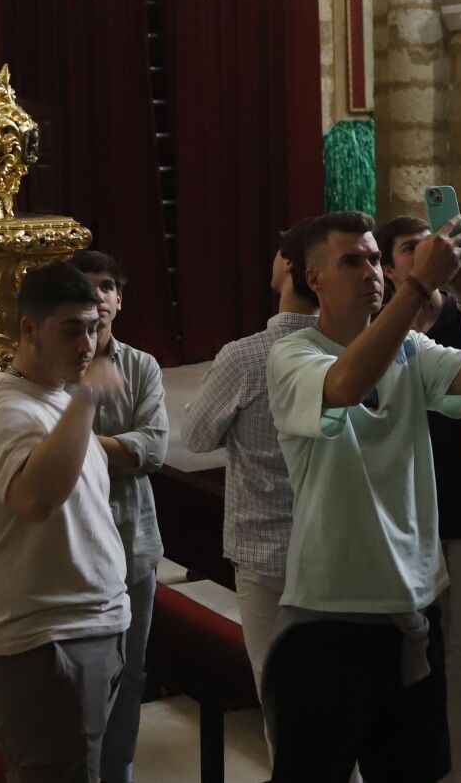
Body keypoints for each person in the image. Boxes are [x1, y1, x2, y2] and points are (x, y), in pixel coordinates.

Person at [264, 210, 461, 781]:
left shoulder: (412, 350)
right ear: (315, 278)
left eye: (376, 259)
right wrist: (418, 285)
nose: (371, 271)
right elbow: (346, 383)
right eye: (353, 261)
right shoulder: (292, 354)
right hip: (330, 614)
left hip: (413, 604)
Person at [0, 261, 129, 783]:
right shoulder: (7, 412)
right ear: (29, 329)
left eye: (93, 328)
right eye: (72, 330)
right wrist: (90, 397)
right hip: (42, 644)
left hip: (80, 632)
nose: (88, 345)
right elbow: (36, 500)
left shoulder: (55, 400)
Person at [179, 223, 318, 740]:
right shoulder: (355, 349)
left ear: (287, 266)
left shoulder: (247, 356)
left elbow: (194, 437)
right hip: (334, 549)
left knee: (281, 700)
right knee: (336, 696)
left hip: (265, 549)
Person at [377, 213, 461, 783]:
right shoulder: (378, 331)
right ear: (388, 264)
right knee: (408, 658)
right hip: (400, 521)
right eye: (409, 249)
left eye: (431, 246)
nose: (426, 256)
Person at [66, 250, 167, 783]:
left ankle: (117, 770)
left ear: (120, 299)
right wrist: (109, 449)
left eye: (107, 287)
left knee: (130, 674)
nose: (98, 297)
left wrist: (74, 446)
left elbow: (153, 448)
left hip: (132, 546)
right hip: (72, 548)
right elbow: (36, 450)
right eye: (86, 287)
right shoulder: (54, 366)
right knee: (75, 677)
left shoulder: (142, 366)